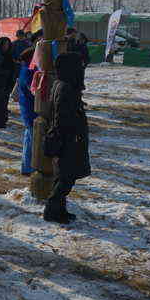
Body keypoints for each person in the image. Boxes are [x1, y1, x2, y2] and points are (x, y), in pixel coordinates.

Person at [43, 52, 90, 224]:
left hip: (67, 137)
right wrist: (68, 138)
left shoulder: (63, 84)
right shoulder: (65, 87)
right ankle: (51, 210)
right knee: (66, 178)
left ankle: (59, 210)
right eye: (79, 66)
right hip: (67, 139)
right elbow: (61, 118)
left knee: (63, 176)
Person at [18, 47, 37, 175]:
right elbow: (33, 90)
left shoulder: (27, 70)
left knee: (29, 137)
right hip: (30, 109)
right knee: (31, 139)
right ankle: (27, 167)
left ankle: (26, 166)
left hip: (28, 108)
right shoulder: (27, 71)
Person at [0, 36, 16, 128]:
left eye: (7, 44)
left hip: (8, 83)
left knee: (4, 102)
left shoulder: (9, 55)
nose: (6, 46)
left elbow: (12, 68)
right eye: (4, 44)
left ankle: (3, 120)